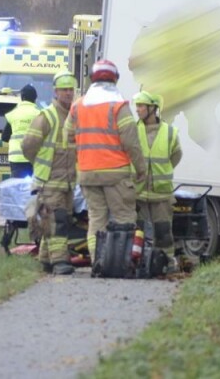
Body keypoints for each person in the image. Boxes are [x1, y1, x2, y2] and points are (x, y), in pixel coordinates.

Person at [66, 59, 146, 263]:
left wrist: (81, 160)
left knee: (96, 220)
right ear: (115, 79)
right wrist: (141, 168)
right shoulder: (119, 106)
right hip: (116, 174)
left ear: (92, 79)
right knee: (124, 218)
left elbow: (68, 137)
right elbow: (131, 142)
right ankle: (122, 262)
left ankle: (97, 262)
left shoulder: (77, 106)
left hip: (87, 173)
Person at [22, 71, 78, 275]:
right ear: (55, 92)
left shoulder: (74, 117)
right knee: (58, 220)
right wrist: (39, 164)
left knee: (51, 220)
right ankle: (60, 261)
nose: (68, 94)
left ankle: (45, 259)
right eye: (64, 90)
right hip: (50, 181)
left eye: (71, 89)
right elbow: (28, 145)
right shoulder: (47, 116)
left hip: (69, 181)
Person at [133, 90, 182, 271]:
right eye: (136, 105)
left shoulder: (169, 132)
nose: (137, 109)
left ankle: (167, 262)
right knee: (139, 231)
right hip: (138, 191)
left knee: (163, 231)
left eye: (141, 106)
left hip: (161, 193)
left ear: (153, 108)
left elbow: (176, 155)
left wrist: (162, 172)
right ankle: (139, 262)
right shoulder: (132, 130)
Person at [2, 84, 40, 179]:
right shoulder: (39, 114)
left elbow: (4, 137)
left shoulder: (13, 114)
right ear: (35, 98)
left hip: (16, 159)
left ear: (22, 97)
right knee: (34, 189)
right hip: (34, 159)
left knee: (17, 188)